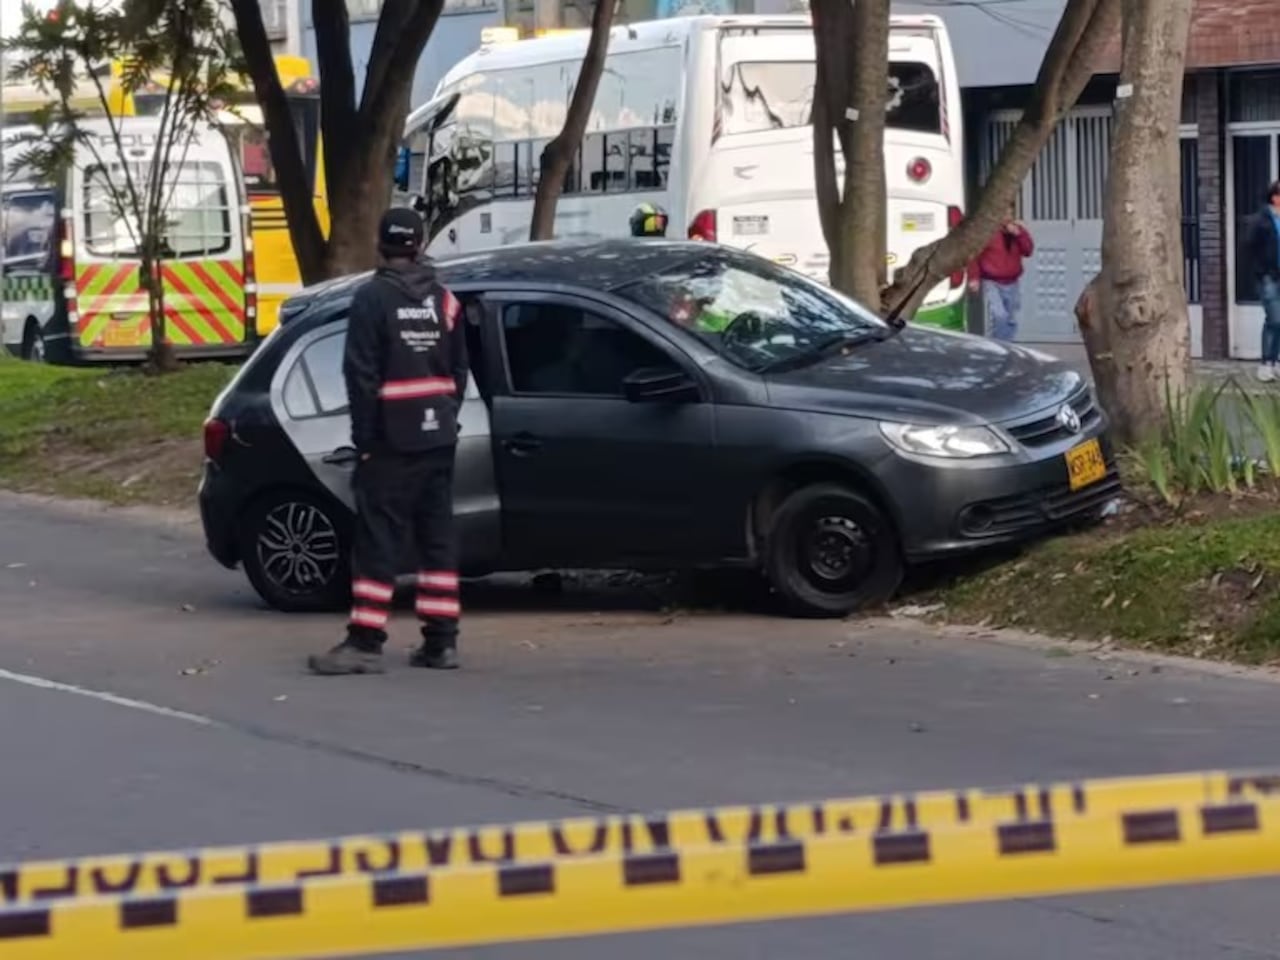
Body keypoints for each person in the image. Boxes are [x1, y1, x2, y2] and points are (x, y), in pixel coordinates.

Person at [307, 208, 469, 676]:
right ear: (419, 245)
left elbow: (360, 376)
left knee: (378, 538)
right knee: (436, 538)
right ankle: (442, 642)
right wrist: (445, 415)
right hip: (438, 435)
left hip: (390, 438)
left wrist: (365, 440)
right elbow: (459, 369)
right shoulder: (444, 300)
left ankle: (365, 642)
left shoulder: (372, 299)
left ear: (381, 245)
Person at [968, 206, 1034, 342]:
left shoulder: (1018, 231)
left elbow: (1028, 251)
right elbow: (973, 255)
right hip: (991, 281)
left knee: (1010, 318)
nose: (1007, 217)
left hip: (1012, 281)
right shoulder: (987, 233)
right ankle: (999, 347)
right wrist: (974, 278)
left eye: (1010, 213)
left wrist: (1018, 234)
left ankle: (1006, 346)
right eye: (1004, 213)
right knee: (999, 316)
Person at [1245, 180, 1280, 382]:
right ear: (1275, 197)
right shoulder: (1261, 221)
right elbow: (1250, 247)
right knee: (1274, 319)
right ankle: (1265, 364)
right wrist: (1261, 270)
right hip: (1268, 277)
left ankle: (1274, 363)